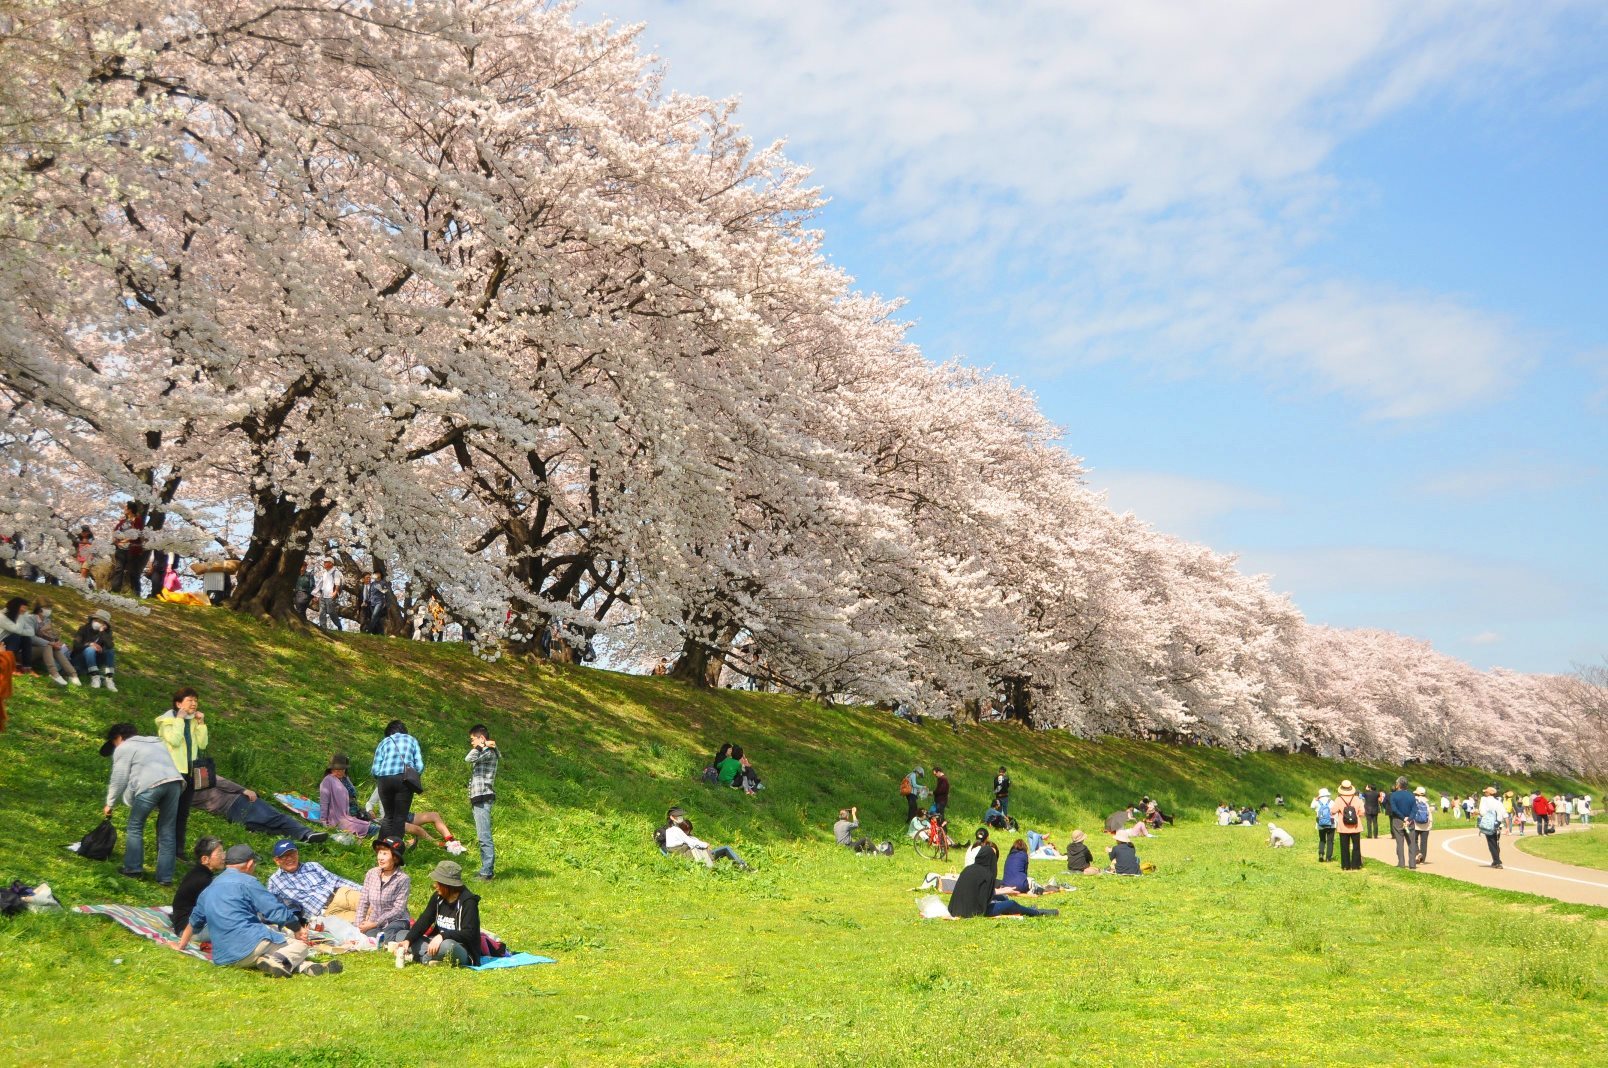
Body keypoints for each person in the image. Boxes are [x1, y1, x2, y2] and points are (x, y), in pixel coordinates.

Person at [176, 844, 341, 977]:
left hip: (224, 957)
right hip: (250, 946)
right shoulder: (248, 882)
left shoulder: (210, 887)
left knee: (281, 951)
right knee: (299, 946)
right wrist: (297, 928)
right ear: (249, 864)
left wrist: (181, 945)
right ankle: (277, 959)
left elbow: (195, 921)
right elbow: (274, 910)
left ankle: (307, 967)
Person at [101, 722, 183, 885]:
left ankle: (133, 869)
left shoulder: (124, 747)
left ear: (118, 738)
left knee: (135, 826)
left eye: (113, 742)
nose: (115, 746)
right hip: (175, 784)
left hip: (151, 786)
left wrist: (109, 803)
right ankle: (165, 878)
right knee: (167, 830)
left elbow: (119, 777)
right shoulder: (157, 742)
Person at [192, 770, 329, 842]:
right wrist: (243, 790)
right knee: (276, 818)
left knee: (266, 828)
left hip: (228, 813)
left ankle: (301, 837)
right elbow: (219, 781)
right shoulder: (192, 773)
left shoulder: (182, 793)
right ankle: (307, 834)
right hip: (237, 801)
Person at [154, 687, 209, 858]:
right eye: (189, 700)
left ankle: (178, 849)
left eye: (195, 700)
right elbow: (175, 741)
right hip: (174, 772)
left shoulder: (193, 721)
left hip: (191, 773)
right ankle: (163, 847)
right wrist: (179, 719)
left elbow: (202, 744)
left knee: (183, 813)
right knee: (168, 812)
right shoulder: (166, 722)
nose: (194, 704)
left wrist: (201, 724)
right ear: (178, 703)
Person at [946, 843, 1057, 918]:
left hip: (956, 909)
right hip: (973, 911)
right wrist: (1005, 891)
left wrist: (1002, 893)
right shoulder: (985, 874)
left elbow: (979, 893)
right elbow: (985, 897)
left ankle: (1027, 909)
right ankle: (1037, 912)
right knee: (1010, 903)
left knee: (1001, 898)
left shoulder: (968, 869)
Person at [403, 860, 481, 966]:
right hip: (435, 943)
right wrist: (408, 940)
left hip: (459, 947)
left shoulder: (468, 902)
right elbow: (424, 920)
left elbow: (469, 934)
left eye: (438, 883)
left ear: (447, 885)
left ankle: (421, 958)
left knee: (448, 946)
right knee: (402, 935)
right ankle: (432, 958)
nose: (435, 885)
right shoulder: (438, 897)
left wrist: (442, 936)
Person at [266, 839, 361, 921]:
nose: (290, 858)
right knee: (364, 924)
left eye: (292, 854)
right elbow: (272, 907)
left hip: (339, 894)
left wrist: (364, 889)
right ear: (277, 860)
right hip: (326, 913)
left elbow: (336, 880)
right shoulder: (274, 881)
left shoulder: (312, 865)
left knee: (374, 904)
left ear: (297, 853)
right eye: (285, 856)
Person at [371, 719, 424, 841]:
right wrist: (413, 776)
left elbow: (375, 769)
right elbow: (420, 766)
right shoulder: (412, 740)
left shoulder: (384, 742)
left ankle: (381, 848)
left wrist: (382, 778)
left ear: (388, 732)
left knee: (388, 816)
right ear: (404, 730)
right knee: (400, 817)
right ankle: (394, 850)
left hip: (384, 780)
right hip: (404, 780)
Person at [356, 836, 412, 946]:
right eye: (380, 853)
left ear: (395, 858)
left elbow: (398, 909)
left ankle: (407, 939)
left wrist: (375, 923)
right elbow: (364, 901)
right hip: (374, 921)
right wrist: (359, 926)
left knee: (387, 934)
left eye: (385, 854)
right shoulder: (371, 873)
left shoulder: (403, 879)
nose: (380, 857)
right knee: (369, 935)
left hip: (396, 921)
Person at [171, 836, 227, 942]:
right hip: (188, 931)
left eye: (223, 852)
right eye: (219, 853)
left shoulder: (199, 873)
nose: (224, 857)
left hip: (187, 924)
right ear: (205, 859)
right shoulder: (203, 880)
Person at [662, 807, 749, 869]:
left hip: (685, 855)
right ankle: (742, 866)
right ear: (672, 817)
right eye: (678, 816)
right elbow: (690, 842)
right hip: (691, 856)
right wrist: (705, 844)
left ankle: (740, 865)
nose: (681, 817)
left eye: (681, 816)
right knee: (726, 848)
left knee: (722, 850)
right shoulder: (675, 830)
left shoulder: (669, 830)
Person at [465, 724, 499, 880]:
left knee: (484, 836)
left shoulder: (488, 752)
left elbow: (469, 758)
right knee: (482, 835)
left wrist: (482, 745)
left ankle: (487, 873)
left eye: (473, 739)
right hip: (480, 797)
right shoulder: (487, 751)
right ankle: (485, 870)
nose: (471, 743)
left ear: (481, 738)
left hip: (483, 797)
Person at [319, 753, 380, 839]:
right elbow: (324, 802)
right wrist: (324, 820)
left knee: (379, 825)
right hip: (342, 816)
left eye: (341, 770)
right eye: (336, 770)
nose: (338, 772)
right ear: (331, 769)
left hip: (355, 812)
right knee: (372, 829)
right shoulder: (328, 780)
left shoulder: (345, 778)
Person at [29, 600, 77, 684]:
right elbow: (31, 637)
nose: (49, 610)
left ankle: (73, 674)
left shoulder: (47, 620)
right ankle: (54, 674)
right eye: (47, 608)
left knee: (55, 648)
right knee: (48, 645)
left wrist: (55, 641)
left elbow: (49, 637)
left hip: (42, 649)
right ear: (40, 609)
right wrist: (50, 643)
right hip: (27, 650)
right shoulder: (31, 619)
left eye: (50, 608)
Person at [71, 608, 118, 690]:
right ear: (93, 619)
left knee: (110, 651)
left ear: (105, 625)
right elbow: (76, 645)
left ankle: (109, 678)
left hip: (96, 660)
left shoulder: (106, 633)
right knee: (90, 649)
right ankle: (95, 676)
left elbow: (110, 646)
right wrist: (89, 644)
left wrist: (102, 633)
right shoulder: (83, 629)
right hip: (79, 659)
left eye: (101, 622)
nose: (97, 623)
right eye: (96, 620)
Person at [110, 501, 146, 597]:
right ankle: (115, 590)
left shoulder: (137, 520)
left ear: (130, 509)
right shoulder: (122, 521)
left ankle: (136, 592)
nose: (124, 509)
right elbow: (115, 530)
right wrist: (116, 539)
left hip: (132, 548)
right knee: (119, 569)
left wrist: (125, 540)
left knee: (133, 571)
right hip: (121, 548)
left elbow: (137, 534)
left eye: (126, 508)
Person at [0, 598, 41, 677]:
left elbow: (30, 632)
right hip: (1, 642)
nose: (25, 611)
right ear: (16, 607)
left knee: (26, 638)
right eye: (23, 608)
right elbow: (17, 629)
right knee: (15, 636)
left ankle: (26, 667)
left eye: (26, 608)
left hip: (8, 641)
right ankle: (10, 666)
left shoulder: (18, 616)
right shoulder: (1, 616)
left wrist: (20, 617)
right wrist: (21, 616)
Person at [1385, 777, 1417, 869]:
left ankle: (1401, 863)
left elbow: (1394, 809)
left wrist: (1403, 818)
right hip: (1410, 821)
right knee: (1411, 842)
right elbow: (1414, 809)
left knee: (1400, 842)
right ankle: (1412, 863)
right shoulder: (1411, 795)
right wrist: (1409, 818)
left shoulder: (1394, 795)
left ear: (1398, 785)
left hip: (1398, 820)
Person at [1334, 780, 1364, 870]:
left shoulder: (1338, 799)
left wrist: (1341, 812)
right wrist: (1356, 815)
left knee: (1344, 846)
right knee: (1356, 846)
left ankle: (1345, 866)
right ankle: (1355, 865)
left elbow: (1333, 811)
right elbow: (1362, 812)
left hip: (1343, 827)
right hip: (1355, 826)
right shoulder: (1357, 799)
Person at [1478, 786, 1505, 869]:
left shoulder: (1484, 800)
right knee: (1496, 842)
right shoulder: (1498, 802)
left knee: (1491, 843)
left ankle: (1497, 861)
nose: (1484, 793)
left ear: (1489, 793)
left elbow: (1482, 812)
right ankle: (1496, 860)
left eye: (1486, 792)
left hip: (1489, 824)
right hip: (1498, 824)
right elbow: (1503, 812)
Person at [314, 557, 342, 630]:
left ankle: (338, 625)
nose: (324, 563)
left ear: (331, 563)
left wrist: (335, 592)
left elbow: (337, 583)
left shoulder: (336, 572)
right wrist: (315, 593)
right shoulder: (325, 573)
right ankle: (323, 627)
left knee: (330, 611)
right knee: (321, 611)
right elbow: (320, 584)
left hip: (330, 595)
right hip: (323, 594)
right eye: (324, 562)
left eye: (326, 562)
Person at [1311, 787, 1336, 863]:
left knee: (1322, 840)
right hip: (1331, 824)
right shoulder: (1331, 801)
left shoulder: (1317, 802)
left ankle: (1321, 854)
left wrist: (1315, 799)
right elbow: (1335, 812)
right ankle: (1328, 857)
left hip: (1320, 824)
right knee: (1330, 841)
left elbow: (1312, 807)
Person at [1411, 786, 1434, 864]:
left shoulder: (1414, 801)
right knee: (1424, 842)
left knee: (1414, 840)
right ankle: (1422, 860)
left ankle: (1417, 853)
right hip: (1426, 825)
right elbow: (1429, 814)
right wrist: (1430, 824)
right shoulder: (1426, 802)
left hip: (1416, 824)